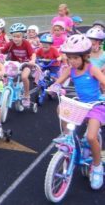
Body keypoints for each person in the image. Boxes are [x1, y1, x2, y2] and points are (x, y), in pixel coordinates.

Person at [50, 34, 105, 190]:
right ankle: (66, 135)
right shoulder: (70, 70)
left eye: (75, 58)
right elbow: (58, 82)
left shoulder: (92, 69)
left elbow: (103, 81)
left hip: (96, 105)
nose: (72, 61)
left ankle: (97, 166)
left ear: (85, 56)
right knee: (62, 108)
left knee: (91, 137)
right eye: (69, 58)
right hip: (81, 104)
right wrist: (54, 87)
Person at [0, 23, 36, 108]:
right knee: (3, 73)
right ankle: (3, 89)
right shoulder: (11, 44)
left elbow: (33, 53)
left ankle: (26, 95)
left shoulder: (26, 43)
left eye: (18, 37)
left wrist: (33, 60)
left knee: (24, 77)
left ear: (22, 36)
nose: (16, 39)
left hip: (25, 64)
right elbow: (2, 50)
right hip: (14, 63)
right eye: (14, 36)